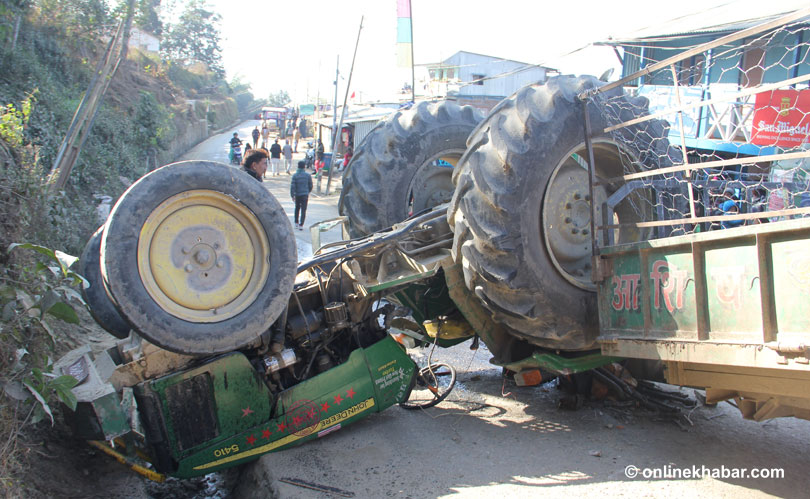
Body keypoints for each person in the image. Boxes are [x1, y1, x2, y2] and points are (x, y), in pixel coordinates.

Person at [290, 160, 313, 230]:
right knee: (303, 209)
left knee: (297, 208)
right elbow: (310, 185)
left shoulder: (295, 175)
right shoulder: (308, 175)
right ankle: (301, 224)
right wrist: (308, 191)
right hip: (305, 194)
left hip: (297, 194)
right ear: (304, 167)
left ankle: (296, 222)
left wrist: (292, 195)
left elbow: (292, 186)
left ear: (298, 167)